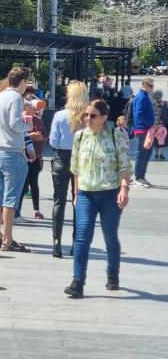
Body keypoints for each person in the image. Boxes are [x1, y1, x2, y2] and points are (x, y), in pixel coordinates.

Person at [64, 100, 131, 298]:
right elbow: (75, 168)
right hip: (85, 193)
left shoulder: (115, 134)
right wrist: (76, 193)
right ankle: (78, 282)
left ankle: (112, 274)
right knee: (82, 238)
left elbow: (125, 165)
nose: (87, 119)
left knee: (110, 236)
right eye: (86, 115)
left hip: (110, 193)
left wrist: (124, 189)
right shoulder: (80, 136)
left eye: (92, 116)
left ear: (104, 118)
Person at [0, 67, 33, 253]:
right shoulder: (15, 98)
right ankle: (7, 239)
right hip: (12, 151)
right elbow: (15, 123)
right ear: (22, 82)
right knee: (10, 197)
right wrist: (28, 123)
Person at [49, 80, 89, 258]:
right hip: (81, 159)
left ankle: (56, 242)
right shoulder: (88, 116)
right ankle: (76, 242)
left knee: (59, 200)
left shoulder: (59, 115)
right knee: (79, 202)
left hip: (62, 158)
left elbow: (53, 141)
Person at [17, 95, 47, 220]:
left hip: (36, 156)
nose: (34, 109)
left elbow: (45, 136)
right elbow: (19, 134)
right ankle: (17, 210)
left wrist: (41, 138)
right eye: (31, 106)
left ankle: (36, 209)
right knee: (22, 185)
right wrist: (31, 135)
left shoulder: (38, 120)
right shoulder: (19, 118)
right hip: (22, 155)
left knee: (34, 183)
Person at [131, 78, 155, 188]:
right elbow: (139, 114)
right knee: (142, 154)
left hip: (144, 129)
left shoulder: (142, 96)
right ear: (144, 85)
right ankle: (138, 177)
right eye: (150, 86)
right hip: (143, 129)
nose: (152, 88)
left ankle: (141, 176)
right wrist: (150, 123)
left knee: (146, 154)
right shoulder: (141, 97)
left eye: (152, 86)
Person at [152, 90, 168, 160]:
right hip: (164, 124)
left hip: (154, 124)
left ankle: (157, 153)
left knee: (156, 140)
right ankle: (160, 154)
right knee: (163, 140)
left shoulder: (152, 103)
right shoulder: (165, 103)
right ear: (161, 96)